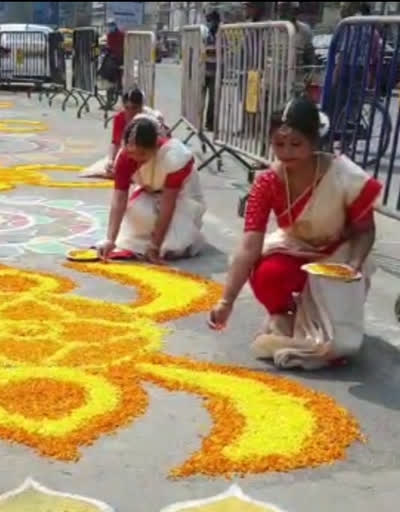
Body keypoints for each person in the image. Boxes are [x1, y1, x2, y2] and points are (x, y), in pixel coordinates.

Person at [209, 98, 381, 369]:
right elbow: (249, 245)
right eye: (279, 144)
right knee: (268, 273)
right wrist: (226, 300)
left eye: (296, 144)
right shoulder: (267, 182)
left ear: (314, 142)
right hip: (295, 246)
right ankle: (284, 316)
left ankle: (323, 316)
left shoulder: (344, 176)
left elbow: (365, 230)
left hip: (339, 253)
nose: (286, 152)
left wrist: (354, 265)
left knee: (338, 345)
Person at [97, 117, 205, 262]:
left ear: (155, 146)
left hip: (182, 196)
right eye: (131, 153)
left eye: (142, 154)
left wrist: (155, 245)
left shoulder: (173, 157)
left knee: (174, 246)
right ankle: (154, 236)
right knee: (137, 214)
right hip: (150, 192)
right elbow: (119, 198)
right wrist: (110, 239)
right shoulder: (125, 157)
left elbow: (168, 204)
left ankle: (170, 237)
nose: (136, 159)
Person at [202, 10, 220, 132]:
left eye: (212, 20)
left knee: (213, 100)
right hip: (203, 71)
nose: (210, 23)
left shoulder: (222, 34)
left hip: (215, 73)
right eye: (208, 21)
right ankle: (196, 122)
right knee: (199, 99)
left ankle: (210, 123)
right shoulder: (203, 33)